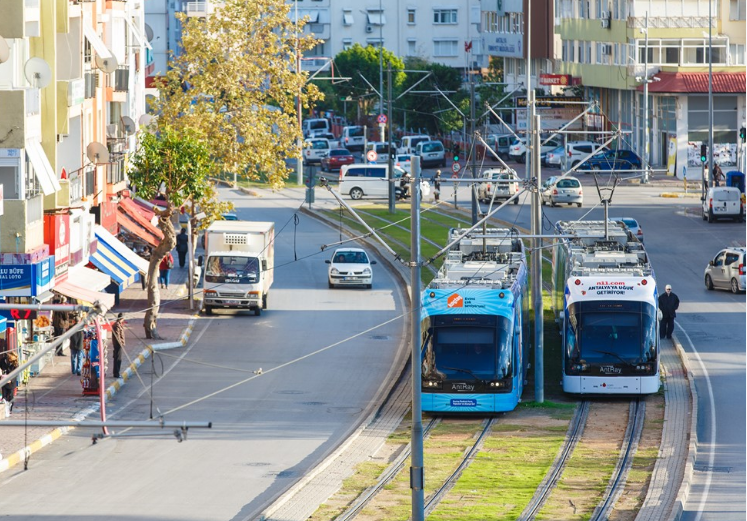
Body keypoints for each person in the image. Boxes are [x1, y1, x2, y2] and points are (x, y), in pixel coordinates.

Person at [1, 346, 19, 416]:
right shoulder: (3, 360)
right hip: (3, 380)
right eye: (9, 359)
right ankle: (5, 409)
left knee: (11, 396)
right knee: (4, 396)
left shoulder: (15, 364)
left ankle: (10, 409)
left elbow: (16, 374)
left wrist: (10, 380)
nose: (9, 360)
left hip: (11, 383)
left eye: (11, 360)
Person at [112, 313, 125, 379]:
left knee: (118, 359)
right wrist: (121, 344)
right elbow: (117, 336)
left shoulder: (118, 325)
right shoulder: (116, 325)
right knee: (118, 359)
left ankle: (117, 372)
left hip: (119, 344)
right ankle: (116, 373)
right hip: (118, 345)